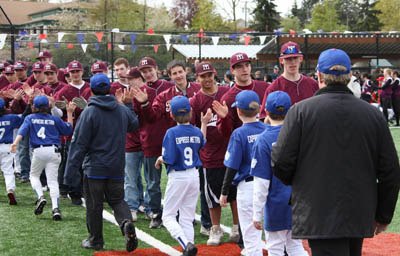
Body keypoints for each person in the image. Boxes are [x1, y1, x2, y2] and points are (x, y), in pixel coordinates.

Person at [271, 49, 400, 256]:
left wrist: (303, 185)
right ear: (349, 76)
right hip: (358, 210)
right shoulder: (371, 114)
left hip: (317, 210)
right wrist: (383, 215)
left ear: (319, 76)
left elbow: (281, 163)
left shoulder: (301, 111)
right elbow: (390, 171)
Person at [64, 73, 139, 252]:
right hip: (116, 165)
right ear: (109, 89)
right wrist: (128, 104)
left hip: (94, 167)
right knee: (118, 200)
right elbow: (134, 124)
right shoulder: (121, 109)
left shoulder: (89, 112)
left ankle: (96, 240)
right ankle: (126, 222)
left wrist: (69, 173)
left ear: (91, 90)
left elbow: (78, 144)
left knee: (94, 204)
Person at [251, 91, 307, 256]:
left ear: (266, 112)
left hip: (276, 202)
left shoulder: (263, 140)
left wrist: (256, 213)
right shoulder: (300, 135)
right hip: (299, 200)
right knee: (295, 246)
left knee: (275, 248)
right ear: (290, 111)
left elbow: (261, 183)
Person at [190, 62, 239, 245]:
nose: (207, 79)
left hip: (231, 152)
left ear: (214, 73)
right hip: (210, 156)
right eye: (202, 76)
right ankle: (215, 228)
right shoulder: (195, 101)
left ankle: (236, 227)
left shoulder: (227, 93)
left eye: (209, 74)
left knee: (235, 194)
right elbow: (193, 130)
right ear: (197, 78)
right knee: (212, 197)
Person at [156, 95, 206, 256]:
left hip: (178, 176)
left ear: (171, 114)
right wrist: (204, 123)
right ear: (191, 112)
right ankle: (189, 246)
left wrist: (159, 158)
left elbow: (169, 158)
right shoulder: (196, 131)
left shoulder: (171, 132)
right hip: (194, 175)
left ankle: (186, 245)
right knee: (187, 216)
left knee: (168, 216)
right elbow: (202, 142)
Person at [11, 95, 74, 220]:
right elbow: (68, 130)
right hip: (54, 151)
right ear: (48, 106)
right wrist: (70, 112)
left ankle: (41, 196)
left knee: (33, 176)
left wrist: (15, 143)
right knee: (52, 181)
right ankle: (55, 208)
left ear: (34, 106)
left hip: (39, 150)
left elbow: (22, 132)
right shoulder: (54, 119)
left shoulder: (30, 117)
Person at [220, 90, 266, 256]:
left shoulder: (239, 133)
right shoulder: (267, 128)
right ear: (258, 108)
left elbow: (232, 166)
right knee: (274, 233)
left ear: (238, 111)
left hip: (248, 187)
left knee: (250, 234)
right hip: (268, 184)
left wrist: (224, 192)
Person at [260, 41, 319, 119]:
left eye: (295, 58)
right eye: (288, 59)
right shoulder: (274, 88)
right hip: (285, 130)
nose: (292, 62)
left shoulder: (313, 84)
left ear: (301, 58)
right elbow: (264, 117)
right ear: (281, 60)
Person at [0, 98, 22, 205]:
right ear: (4, 108)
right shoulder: (11, 117)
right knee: (8, 171)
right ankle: (10, 190)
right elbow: (25, 117)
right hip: (6, 147)